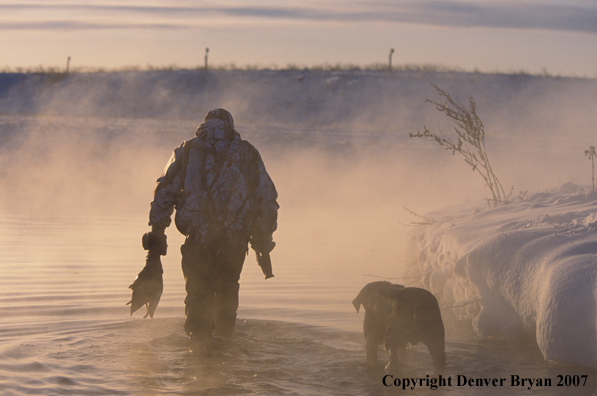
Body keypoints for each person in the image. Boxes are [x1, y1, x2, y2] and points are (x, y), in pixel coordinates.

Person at [128, 108, 279, 344]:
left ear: (205, 125)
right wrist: (263, 238)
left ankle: (198, 353)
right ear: (230, 126)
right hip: (234, 244)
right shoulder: (248, 153)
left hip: (197, 242)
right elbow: (266, 198)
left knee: (197, 299)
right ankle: (224, 350)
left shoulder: (187, 150)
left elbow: (164, 193)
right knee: (227, 298)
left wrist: (157, 234)